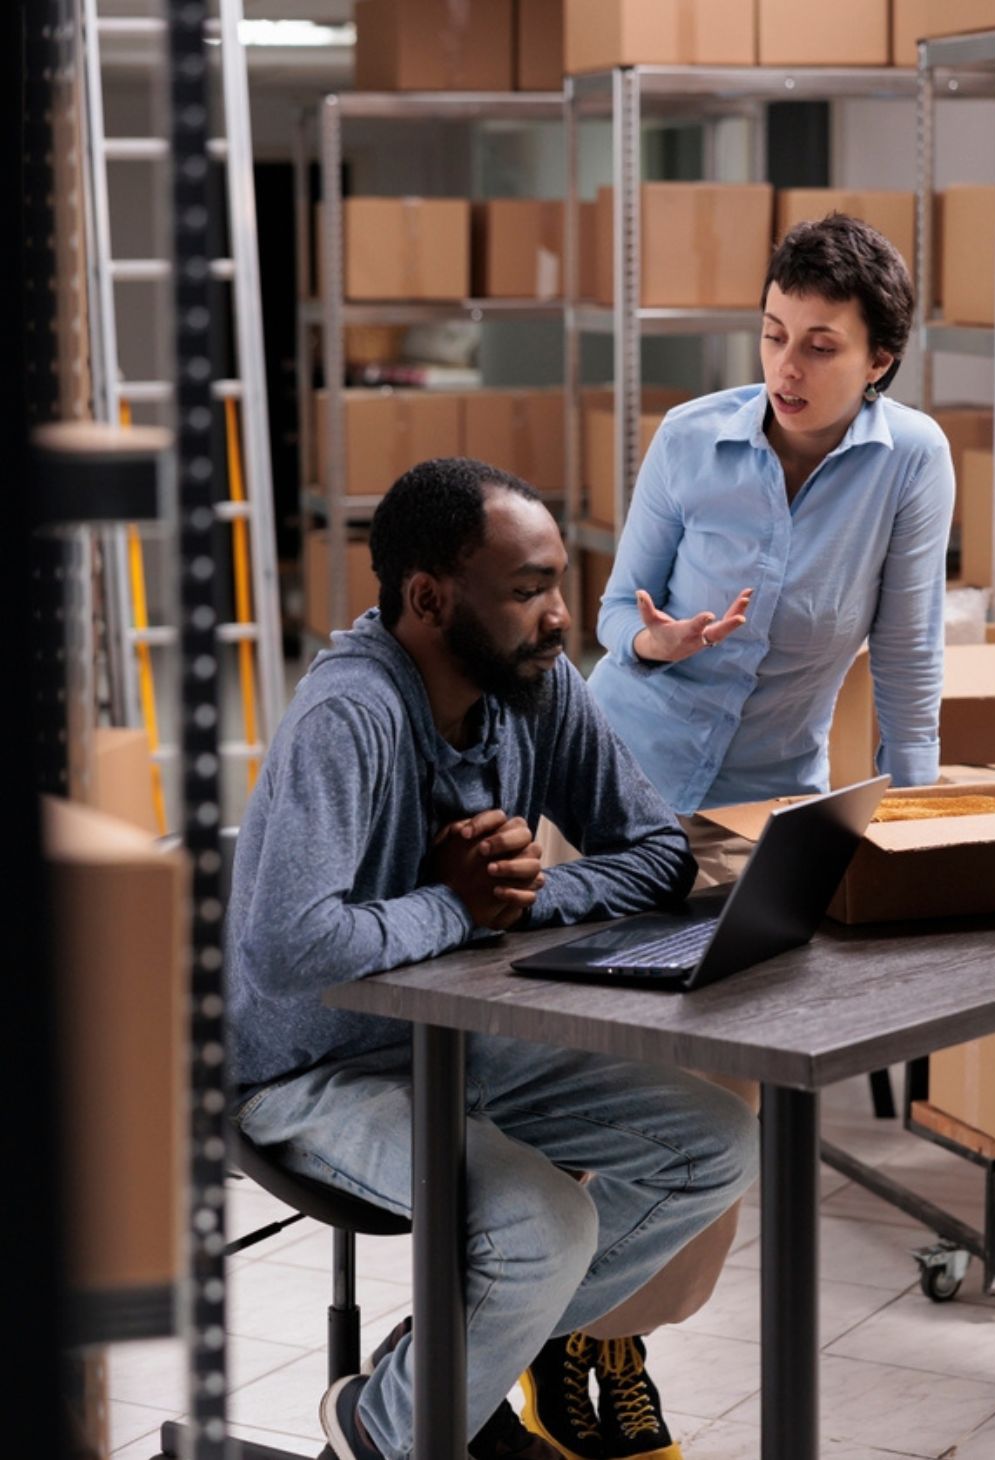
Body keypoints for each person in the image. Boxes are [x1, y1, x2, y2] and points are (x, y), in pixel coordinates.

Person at [225, 457, 759, 1460]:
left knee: (713, 1142)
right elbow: (290, 944)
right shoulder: (350, 714)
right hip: (317, 1070)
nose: (558, 616)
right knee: (543, 1219)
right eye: (524, 590)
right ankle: (402, 1423)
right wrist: (455, 905)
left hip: (462, 1041)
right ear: (429, 597)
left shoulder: (538, 684)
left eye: (555, 581)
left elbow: (653, 851)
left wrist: (523, 896)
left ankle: (418, 1381)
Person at [554, 213, 954, 1353]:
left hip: (761, 812)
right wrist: (653, 643)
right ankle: (519, 1334)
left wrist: (915, 813)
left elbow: (909, 648)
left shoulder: (909, 459)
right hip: (611, 788)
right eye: (773, 333)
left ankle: (609, 1343)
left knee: (712, 1102)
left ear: (877, 357)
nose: (786, 366)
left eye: (820, 344)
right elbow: (613, 608)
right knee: (578, 1071)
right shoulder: (689, 437)